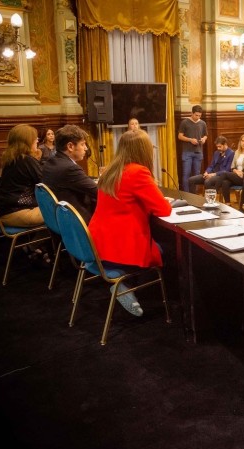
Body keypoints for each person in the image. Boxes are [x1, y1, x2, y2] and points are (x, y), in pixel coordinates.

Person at [88, 129, 172, 317]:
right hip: (123, 250)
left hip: (98, 247)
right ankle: (167, 306)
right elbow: (164, 209)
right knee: (173, 250)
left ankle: (127, 287)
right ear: (143, 150)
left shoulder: (110, 170)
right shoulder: (138, 172)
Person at [41, 125, 97, 224]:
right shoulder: (69, 168)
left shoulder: (51, 161)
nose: (86, 148)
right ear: (70, 146)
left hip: (59, 220)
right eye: (83, 144)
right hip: (77, 222)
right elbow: (98, 191)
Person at [0, 124, 44, 227]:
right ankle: (37, 243)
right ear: (26, 141)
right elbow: (45, 184)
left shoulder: (11, 158)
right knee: (65, 212)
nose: (37, 140)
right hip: (18, 212)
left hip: (2, 212)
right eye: (34, 137)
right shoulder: (26, 160)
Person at [218, 134, 244, 207]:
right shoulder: (237, 152)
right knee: (225, 182)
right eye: (242, 141)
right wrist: (236, 171)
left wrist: (242, 173)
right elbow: (232, 166)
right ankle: (228, 204)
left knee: (224, 174)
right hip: (236, 175)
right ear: (240, 142)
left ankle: (214, 191)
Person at [177, 105, 208, 192]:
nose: (197, 117)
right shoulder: (185, 122)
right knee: (186, 174)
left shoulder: (202, 123)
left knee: (196, 175)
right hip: (187, 152)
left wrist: (203, 139)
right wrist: (190, 140)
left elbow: (205, 135)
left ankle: (194, 194)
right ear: (192, 113)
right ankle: (186, 194)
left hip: (198, 152)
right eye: (196, 115)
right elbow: (180, 136)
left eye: (199, 115)